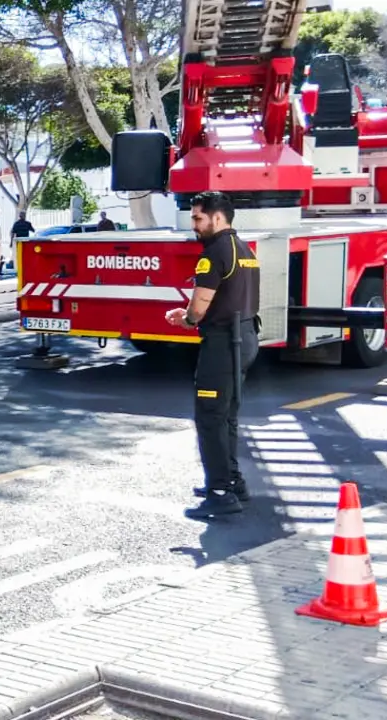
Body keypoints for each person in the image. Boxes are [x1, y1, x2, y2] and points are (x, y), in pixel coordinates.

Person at [164, 191, 260, 519]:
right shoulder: (244, 249)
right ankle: (234, 481)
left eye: (198, 218)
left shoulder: (214, 254)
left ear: (217, 218)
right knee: (227, 416)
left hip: (222, 345)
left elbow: (201, 304)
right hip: (244, 339)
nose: (194, 225)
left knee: (210, 417)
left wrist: (188, 318)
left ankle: (219, 493)